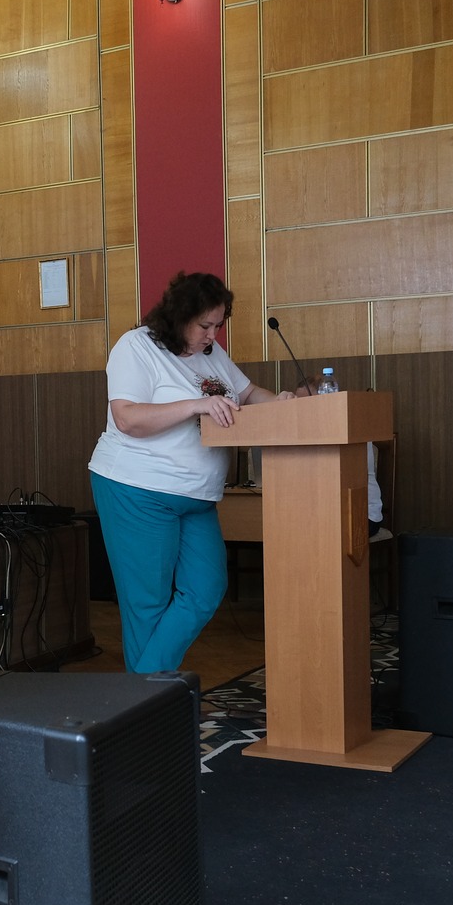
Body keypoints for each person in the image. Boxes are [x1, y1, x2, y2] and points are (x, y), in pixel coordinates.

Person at [88, 271, 294, 673]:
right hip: (137, 489)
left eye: (218, 325)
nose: (212, 335)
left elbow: (249, 394)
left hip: (197, 495)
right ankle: (151, 697)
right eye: (205, 325)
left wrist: (282, 404)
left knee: (207, 588)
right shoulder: (137, 346)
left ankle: (147, 691)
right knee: (147, 604)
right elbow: (127, 418)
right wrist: (196, 405)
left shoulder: (211, 354)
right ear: (179, 316)